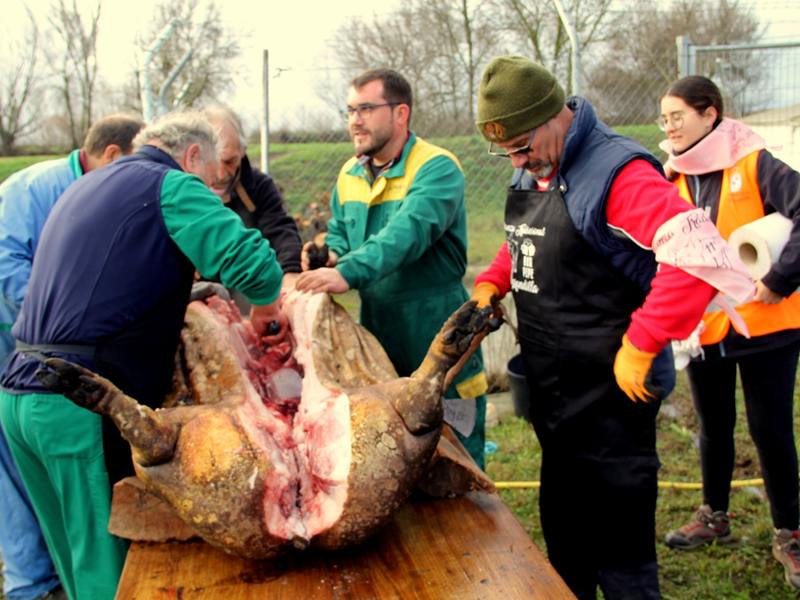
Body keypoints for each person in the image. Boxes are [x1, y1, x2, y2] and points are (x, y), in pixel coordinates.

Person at [470, 56, 753, 599]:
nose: (518, 161)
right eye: (507, 151)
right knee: (566, 539)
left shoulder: (620, 174)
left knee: (620, 552)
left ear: (555, 115)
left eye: (524, 145)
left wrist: (643, 340)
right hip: (555, 395)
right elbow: (528, 238)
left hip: (610, 399)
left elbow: (695, 257)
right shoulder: (534, 161)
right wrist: (493, 280)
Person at [0, 111, 287, 600]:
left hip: (19, 396)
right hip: (80, 402)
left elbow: (104, 283)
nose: (214, 190)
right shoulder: (169, 183)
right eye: (213, 179)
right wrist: (266, 305)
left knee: (74, 560)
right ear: (192, 155)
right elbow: (253, 264)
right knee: (109, 573)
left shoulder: (88, 186)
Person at [295, 68, 489, 468]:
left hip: (437, 326)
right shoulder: (350, 174)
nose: (354, 120)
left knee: (454, 458)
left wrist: (347, 271)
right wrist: (326, 254)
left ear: (401, 114)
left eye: (366, 108)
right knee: (393, 453)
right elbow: (341, 236)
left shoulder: (437, 167)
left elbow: (408, 233)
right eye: (350, 110)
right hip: (378, 335)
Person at [658, 75, 800, 590]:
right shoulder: (672, 175)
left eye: (677, 115)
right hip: (705, 327)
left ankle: (790, 532)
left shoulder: (756, 162)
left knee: (771, 430)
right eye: (664, 118)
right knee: (713, 428)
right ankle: (713, 516)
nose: (668, 126)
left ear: (710, 114)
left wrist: (778, 280)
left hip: (769, 324)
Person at [0, 114, 143, 600]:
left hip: (47, 350)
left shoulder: (92, 193)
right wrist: (66, 319)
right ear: (110, 155)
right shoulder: (34, 190)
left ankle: (58, 579)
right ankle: (31, 584)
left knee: (46, 479)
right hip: (15, 344)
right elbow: (7, 266)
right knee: (20, 476)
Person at [202, 105, 302, 297]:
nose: (222, 174)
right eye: (214, 162)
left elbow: (280, 231)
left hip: (248, 292)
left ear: (243, 151)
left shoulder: (259, 186)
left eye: (230, 161)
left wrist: (290, 273)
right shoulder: (181, 190)